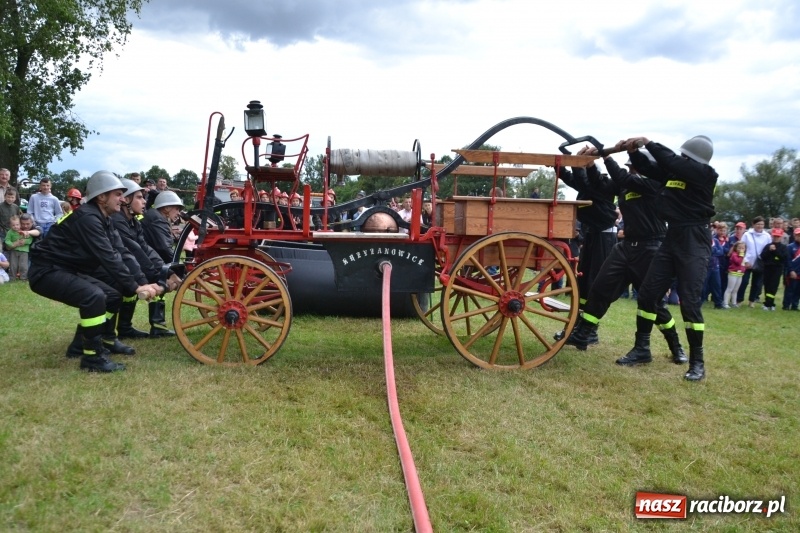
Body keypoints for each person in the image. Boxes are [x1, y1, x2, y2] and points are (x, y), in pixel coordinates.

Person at [28, 171, 163, 372]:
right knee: (93, 297)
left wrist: (143, 282)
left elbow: (123, 253)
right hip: (46, 271)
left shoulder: (105, 218)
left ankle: (86, 344)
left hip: (67, 269)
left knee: (112, 296)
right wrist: (135, 287)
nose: (122, 199)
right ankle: (92, 358)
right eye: (118, 194)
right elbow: (109, 257)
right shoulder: (88, 218)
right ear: (101, 197)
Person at [566, 148, 686, 364]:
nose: (631, 170)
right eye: (630, 167)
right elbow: (601, 186)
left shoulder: (655, 184)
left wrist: (606, 157)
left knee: (653, 304)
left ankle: (673, 346)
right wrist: (590, 166)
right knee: (600, 289)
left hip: (650, 248)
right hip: (626, 247)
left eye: (634, 167)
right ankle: (583, 334)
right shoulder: (626, 184)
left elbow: (622, 178)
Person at [616, 135, 717, 381]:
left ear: (693, 159)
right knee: (647, 294)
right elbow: (651, 168)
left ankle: (697, 363)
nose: (681, 159)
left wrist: (648, 143)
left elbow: (670, 161)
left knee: (689, 303)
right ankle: (641, 349)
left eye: (685, 157)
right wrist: (633, 153)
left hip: (694, 239)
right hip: (672, 237)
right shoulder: (675, 174)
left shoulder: (705, 174)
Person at [554, 146, 618, 343]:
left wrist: (577, 163)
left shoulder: (602, 185)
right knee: (583, 283)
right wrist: (559, 166)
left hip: (604, 238)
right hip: (592, 235)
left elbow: (582, 181)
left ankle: (590, 331)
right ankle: (578, 327)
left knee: (594, 283)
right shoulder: (588, 185)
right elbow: (572, 179)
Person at [113, 178, 181, 338]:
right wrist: (156, 276)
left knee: (130, 290)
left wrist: (167, 271)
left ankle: (125, 329)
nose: (144, 201)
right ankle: (108, 334)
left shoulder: (133, 221)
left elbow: (146, 249)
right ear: (126, 200)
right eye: (139, 197)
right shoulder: (117, 221)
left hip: (122, 264)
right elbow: (134, 251)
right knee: (116, 292)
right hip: (103, 267)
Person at [739, 216, 771, 307]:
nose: (760, 226)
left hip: (760, 263)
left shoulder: (767, 236)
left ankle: (751, 301)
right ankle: (739, 300)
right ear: (753, 224)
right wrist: (745, 261)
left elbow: (768, 250)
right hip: (747, 262)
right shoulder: (747, 234)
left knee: (756, 283)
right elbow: (741, 248)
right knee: (744, 282)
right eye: (758, 224)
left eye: (762, 224)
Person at [759, 227, 789, 311]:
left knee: (773, 286)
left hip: (777, 269)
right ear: (772, 236)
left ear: (781, 237)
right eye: (775, 236)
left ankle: (770, 303)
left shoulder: (783, 247)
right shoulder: (768, 246)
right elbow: (762, 256)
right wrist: (769, 250)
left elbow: (783, 258)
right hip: (767, 268)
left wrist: (775, 251)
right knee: (767, 285)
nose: (776, 238)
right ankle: (767, 302)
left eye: (778, 236)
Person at [4, 215, 32, 281]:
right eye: (13, 225)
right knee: (13, 265)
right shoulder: (10, 232)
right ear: (10, 226)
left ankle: (23, 277)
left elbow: (30, 239)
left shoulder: (24, 231)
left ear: (20, 224)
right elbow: (7, 240)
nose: (15, 226)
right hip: (14, 250)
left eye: (17, 225)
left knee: (23, 265)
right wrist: (13, 244)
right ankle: (12, 277)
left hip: (24, 250)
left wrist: (25, 241)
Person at [701, 231, 724, 309]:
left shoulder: (716, 241)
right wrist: (714, 250)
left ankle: (718, 304)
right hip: (705, 267)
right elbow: (705, 252)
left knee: (717, 286)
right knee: (703, 286)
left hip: (715, 267)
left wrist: (712, 250)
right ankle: (699, 303)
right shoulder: (703, 241)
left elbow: (721, 252)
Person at [722, 241, 747, 308]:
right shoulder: (734, 255)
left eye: (743, 248)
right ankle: (725, 303)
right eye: (739, 248)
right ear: (736, 248)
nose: (741, 249)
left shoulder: (742, 256)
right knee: (729, 288)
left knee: (735, 290)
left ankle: (734, 303)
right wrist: (741, 255)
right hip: (733, 273)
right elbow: (738, 262)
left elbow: (743, 264)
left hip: (739, 274)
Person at [783, 228, 800, 311]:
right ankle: (786, 305)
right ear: (794, 235)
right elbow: (788, 260)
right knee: (790, 290)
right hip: (792, 273)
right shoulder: (790, 247)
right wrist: (791, 271)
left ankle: (795, 305)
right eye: (798, 235)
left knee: (798, 291)